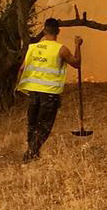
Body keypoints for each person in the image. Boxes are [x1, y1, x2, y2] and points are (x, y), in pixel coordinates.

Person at [16, 18, 82, 162]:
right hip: (50, 93)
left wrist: (18, 88)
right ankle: (31, 153)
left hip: (33, 92)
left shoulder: (33, 48)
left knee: (32, 124)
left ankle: (32, 152)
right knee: (44, 125)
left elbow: (22, 68)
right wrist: (77, 46)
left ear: (44, 31)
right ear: (58, 31)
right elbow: (76, 63)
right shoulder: (61, 49)